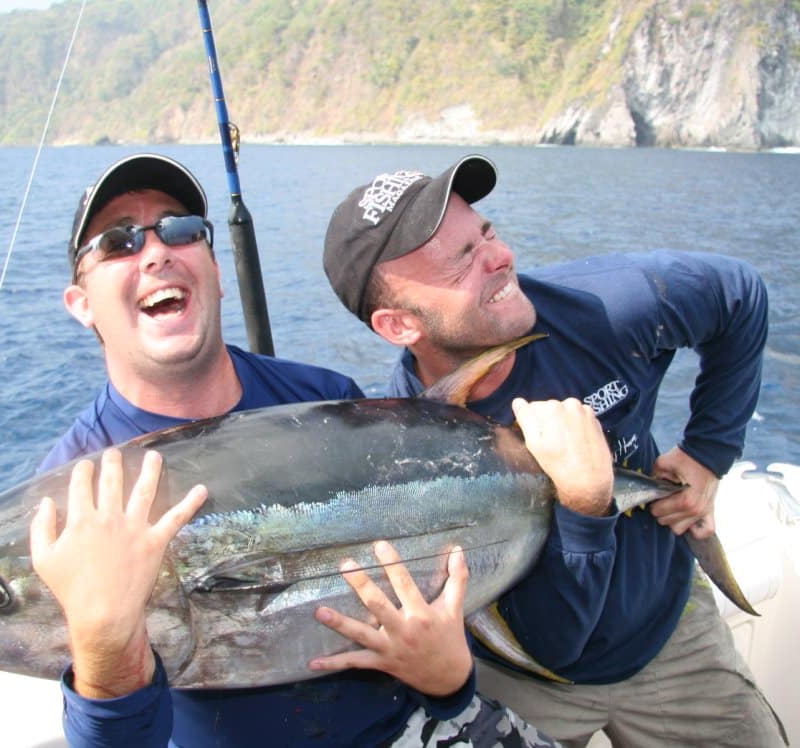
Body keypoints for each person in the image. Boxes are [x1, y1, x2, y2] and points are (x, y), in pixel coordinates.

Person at [26, 152, 577, 747]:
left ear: (212, 267)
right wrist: (103, 650)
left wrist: (450, 678)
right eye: (117, 242)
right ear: (81, 304)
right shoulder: (71, 493)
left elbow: (432, 566)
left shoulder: (322, 398)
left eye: (181, 230)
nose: (156, 251)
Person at [321, 154, 788, 748]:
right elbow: (552, 641)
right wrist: (585, 502)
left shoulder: (604, 309)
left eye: (485, 232)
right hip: (528, 674)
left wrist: (708, 453)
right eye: (460, 260)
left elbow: (738, 296)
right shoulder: (408, 459)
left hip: (670, 633)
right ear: (398, 326)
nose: (499, 256)